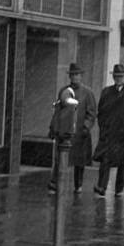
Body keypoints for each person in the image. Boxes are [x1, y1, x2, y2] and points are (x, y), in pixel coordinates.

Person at [92, 63, 124, 196]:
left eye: (121, 76)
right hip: (110, 133)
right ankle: (101, 187)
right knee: (105, 160)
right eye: (117, 76)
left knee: (122, 162)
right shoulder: (107, 92)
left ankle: (118, 190)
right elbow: (101, 112)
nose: (119, 79)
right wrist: (104, 127)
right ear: (113, 77)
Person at [48, 62, 97, 194]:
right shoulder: (64, 91)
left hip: (80, 133)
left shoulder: (88, 93)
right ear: (70, 77)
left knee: (79, 162)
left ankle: (78, 185)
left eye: (78, 75)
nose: (75, 77)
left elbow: (92, 113)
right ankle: (54, 183)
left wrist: (86, 127)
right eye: (73, 75)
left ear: (81, 76)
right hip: (65, 132)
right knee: (60, 159)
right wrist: (54, 128)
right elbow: (58, 110)